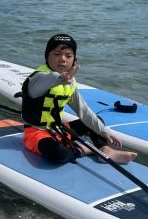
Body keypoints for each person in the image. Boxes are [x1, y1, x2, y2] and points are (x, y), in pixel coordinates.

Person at [20, 33, 137, 165]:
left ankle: (105, 149)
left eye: (68, 55)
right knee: (59, 155)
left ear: (74, 60)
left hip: (59, 129)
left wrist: (104, 132)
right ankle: (84, 149)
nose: (62, 59)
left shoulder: (70, 82)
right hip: (37, 133)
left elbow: (84, 111)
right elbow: (47, 80)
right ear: (47, 56)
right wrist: (60, 78)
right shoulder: (37, 78)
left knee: (97, 121)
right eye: (57, 54)